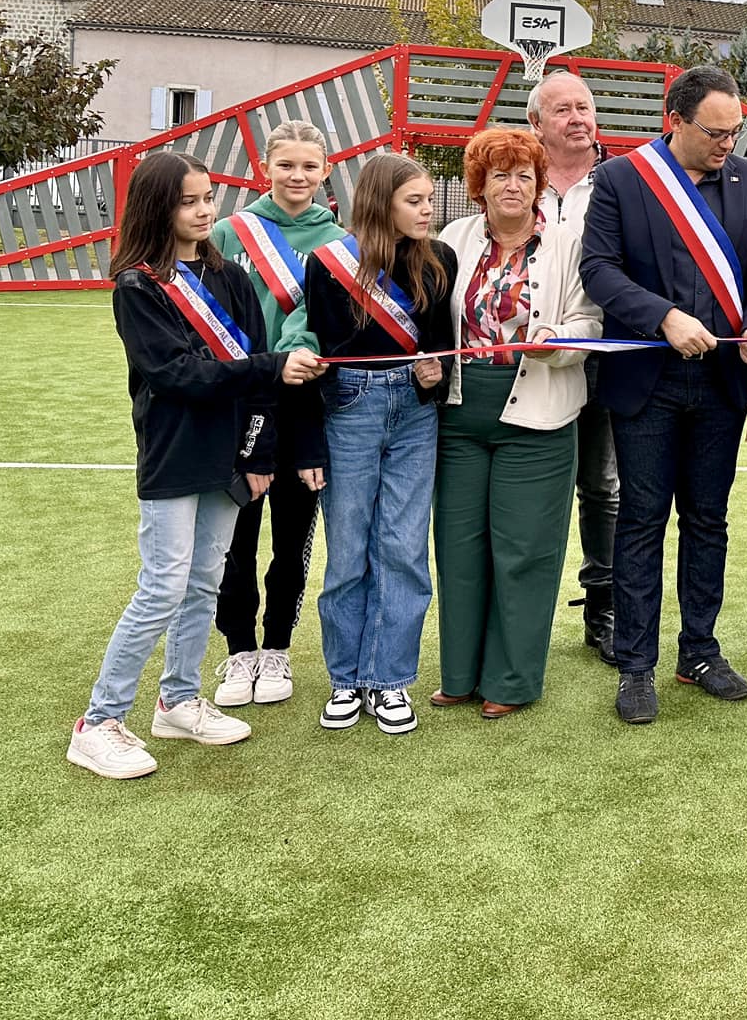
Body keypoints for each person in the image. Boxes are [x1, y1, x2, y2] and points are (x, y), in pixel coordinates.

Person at [69, 152, 322, 779]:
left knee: (205, 581)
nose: (204, 210)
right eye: (189, 201)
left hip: (230, 455)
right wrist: (267, 370)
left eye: (208, 198)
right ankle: (98, 721)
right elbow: (176, 374)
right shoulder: (137, 286)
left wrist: (259, 451)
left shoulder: (230, 275)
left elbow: (258, 367)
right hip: (174, 453)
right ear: (159, 207)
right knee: (162, 586)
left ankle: (179, 700)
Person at [580, 65, 747, 725]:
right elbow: (598, 269)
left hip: (723, 383)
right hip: (647, 384)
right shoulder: (620, 179)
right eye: (715, 132)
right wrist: (662, 317)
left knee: (708, 521)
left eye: (735, 132)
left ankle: (698, 650)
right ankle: (636, 665)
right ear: (677, 119)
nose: (728, 143)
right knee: (640, 523)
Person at [282, 153, 457, 737]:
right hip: (347, 411)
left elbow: (439, 347)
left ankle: (390, 679)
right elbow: (317, 353)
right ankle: (346, 677)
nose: (428, 209)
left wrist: (435, 378)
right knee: (349, 548)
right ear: (380, 204)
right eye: (415, 201)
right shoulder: (330, 265)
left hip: (415, 415)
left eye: (430, 199)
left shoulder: (441, 260)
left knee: (403, 549)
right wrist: (308, 447)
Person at [432, 128, 603, 719]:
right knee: (459, 547)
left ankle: (511, 679)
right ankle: (459, 673)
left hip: (541, 412)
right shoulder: (452, 238)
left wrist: (558, 342)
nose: (513, 185)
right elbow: (429, 315)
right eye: (500, 174)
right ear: (479, 183)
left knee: (524, 551)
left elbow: (591, 320)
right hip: (458, 414)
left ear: (538, 185)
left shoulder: (571, 242)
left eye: (524, 175)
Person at [206, 119, 344, 712]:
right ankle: (239, 648)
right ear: (267, 168)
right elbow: (206, 314)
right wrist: (264, 364)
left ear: (326, 171)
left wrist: (297, 354)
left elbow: (334, 320)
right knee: (235, 537)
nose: (298, 176)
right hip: (239, 402)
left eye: (309, 166)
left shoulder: (339, 237)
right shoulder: (228, 233)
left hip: (305, 407)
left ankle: (278, 648)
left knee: (292, 541)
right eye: (286, 165)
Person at [530, 69, 619, 664]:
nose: (577, 117)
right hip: (528, 360)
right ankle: (523, 615)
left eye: (584, 106)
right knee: (533, 487)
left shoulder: (621, 181)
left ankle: (603, 609)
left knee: (604, 486)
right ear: (536, 123)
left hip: (606, 354)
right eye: (562, 109)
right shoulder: (515, 180)